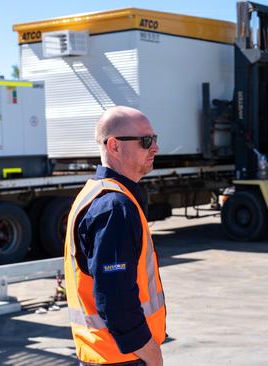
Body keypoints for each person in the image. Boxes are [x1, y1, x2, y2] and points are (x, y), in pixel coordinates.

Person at [64, 106, 166, 366]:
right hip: (122, 357)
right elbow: (115, 300)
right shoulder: (114, 207)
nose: (155, 147)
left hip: (107, 354)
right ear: (114, 146)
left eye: (154, 139)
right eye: (146, 141)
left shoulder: (99, 193)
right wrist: (151, 354)